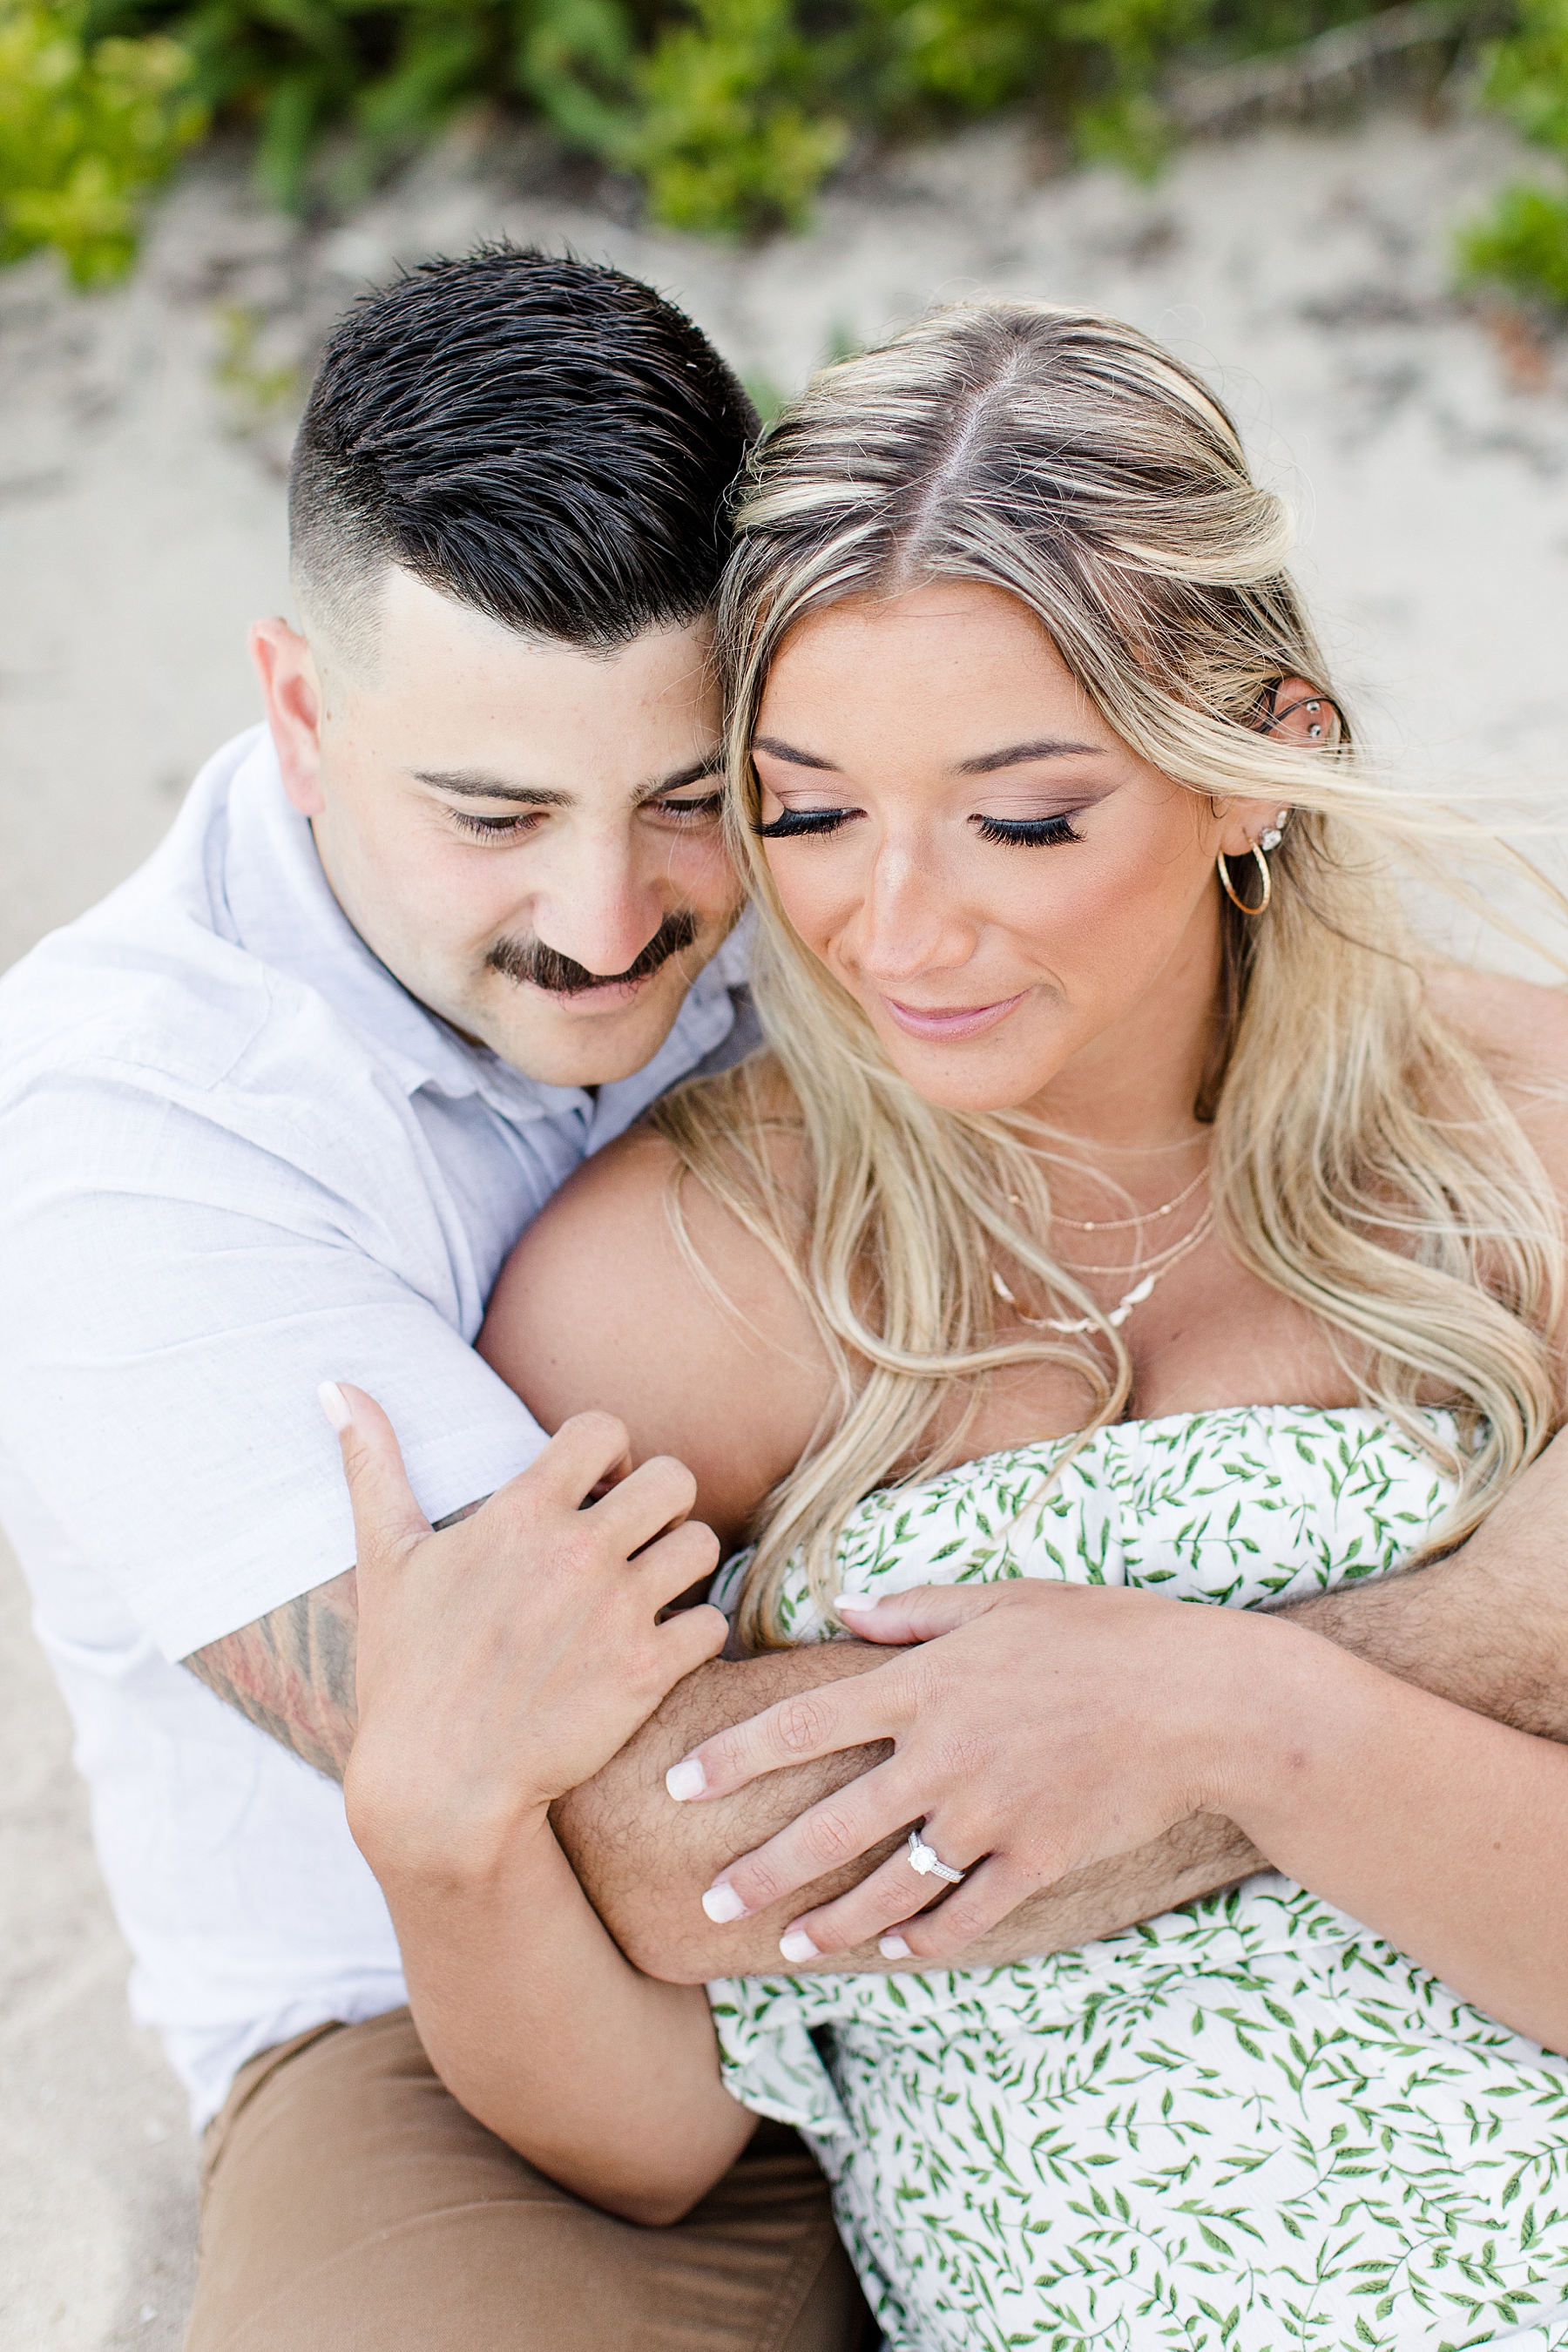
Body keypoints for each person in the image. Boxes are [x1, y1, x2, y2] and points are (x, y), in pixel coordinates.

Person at [333, 301, 1568, 2352]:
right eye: (808, 813)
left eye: (1022, 818)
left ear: (1260, 765)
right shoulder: (678, 1284)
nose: (895, 930)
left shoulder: (1521, 1147)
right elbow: (660, 2141)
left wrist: (1238, 1720)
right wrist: (440, 1842)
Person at [0, 246, 885, 2352]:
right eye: (494, 814)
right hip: (423, 2038)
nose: (609, 919)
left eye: (688, 796)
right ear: (302, 712)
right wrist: (1283, 1714)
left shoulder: (858, 836)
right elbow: (644, 1821)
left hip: (1046, 1933)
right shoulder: (115, 1132)